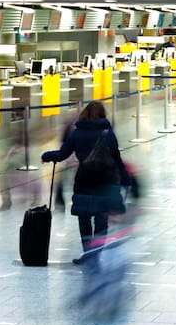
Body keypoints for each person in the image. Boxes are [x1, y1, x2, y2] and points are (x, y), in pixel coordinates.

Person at [42, 100, 127, 256]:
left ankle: (88, 252)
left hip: (84, 180)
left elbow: (62, 155)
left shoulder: (77, 133)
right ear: (102, 114)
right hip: (105, 180)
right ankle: (97, 252)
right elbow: (117, 158)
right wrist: (126, 178)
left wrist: (47, 156)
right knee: (102, 219)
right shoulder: (108, 133)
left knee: (84, 217)